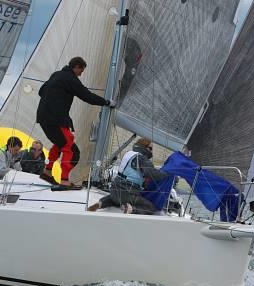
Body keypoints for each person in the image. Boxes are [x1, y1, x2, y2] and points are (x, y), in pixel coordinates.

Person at [36, 56, 111, 186]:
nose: (81, 74)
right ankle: (64, 180)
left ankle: (47, 172)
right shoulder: (70, 79)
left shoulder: (56, 75)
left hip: (43, 118)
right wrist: (106, 102)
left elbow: (41, 91)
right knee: (70, 148)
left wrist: (55, 98)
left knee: (60, 143)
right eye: (81, 71)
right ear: (76, 67)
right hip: (56, 119)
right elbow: (87, 96)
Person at [87, 138, 168, 215]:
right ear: (145, 147)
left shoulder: (129, 153)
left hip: (114, 189)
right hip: (128, 193)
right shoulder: (141, 158)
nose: (151, 151)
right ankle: (131, 209)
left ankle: (100, 203)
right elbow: (153, 174)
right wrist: (167, 173)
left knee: (115, 198)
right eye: (150, 148)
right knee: (150, 207)